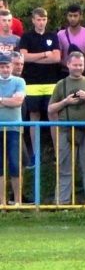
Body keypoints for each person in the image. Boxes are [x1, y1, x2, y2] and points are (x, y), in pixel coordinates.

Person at [48, 52, 85, 205]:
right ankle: (62, 202)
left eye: (80, 65)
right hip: (65, 131)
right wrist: (65, 102)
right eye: (75, 65)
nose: (78, 67)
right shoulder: (61, 84)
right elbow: (50, 109)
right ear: (68, 64)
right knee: (64, 167)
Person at [19, 7, 61, 165]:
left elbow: (56, 58)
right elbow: (24, 57)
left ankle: (58, 154)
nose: (41, 22)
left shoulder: (52, 36)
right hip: (32, 83)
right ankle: (36, 156)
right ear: (33, 20)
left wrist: (34, 59)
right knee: (34, 116)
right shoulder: (26, 37)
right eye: (38, 19)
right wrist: (44, 54)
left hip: (51, 82)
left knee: (53, 116)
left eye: (44, 19)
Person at [0, 53, 26, 205]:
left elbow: (18, 102)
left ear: (11, 67)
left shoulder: (19, 81)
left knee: (15, 164)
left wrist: (1, 100)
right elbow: (14, 101)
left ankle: (17, 202)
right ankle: (2, 202)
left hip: (14, 128)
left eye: (7, 66)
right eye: (2, 67)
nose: (5, 69)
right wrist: (9, 100)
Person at [57, 4, 85, 78]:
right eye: (70, 16)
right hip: (66, 73)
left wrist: (79, 69)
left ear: (81, 16)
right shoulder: (60, 34)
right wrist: (72, 67)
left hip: (84, 73)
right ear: (67, 17)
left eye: (75, 16)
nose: (72, 18)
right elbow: (59, 57)